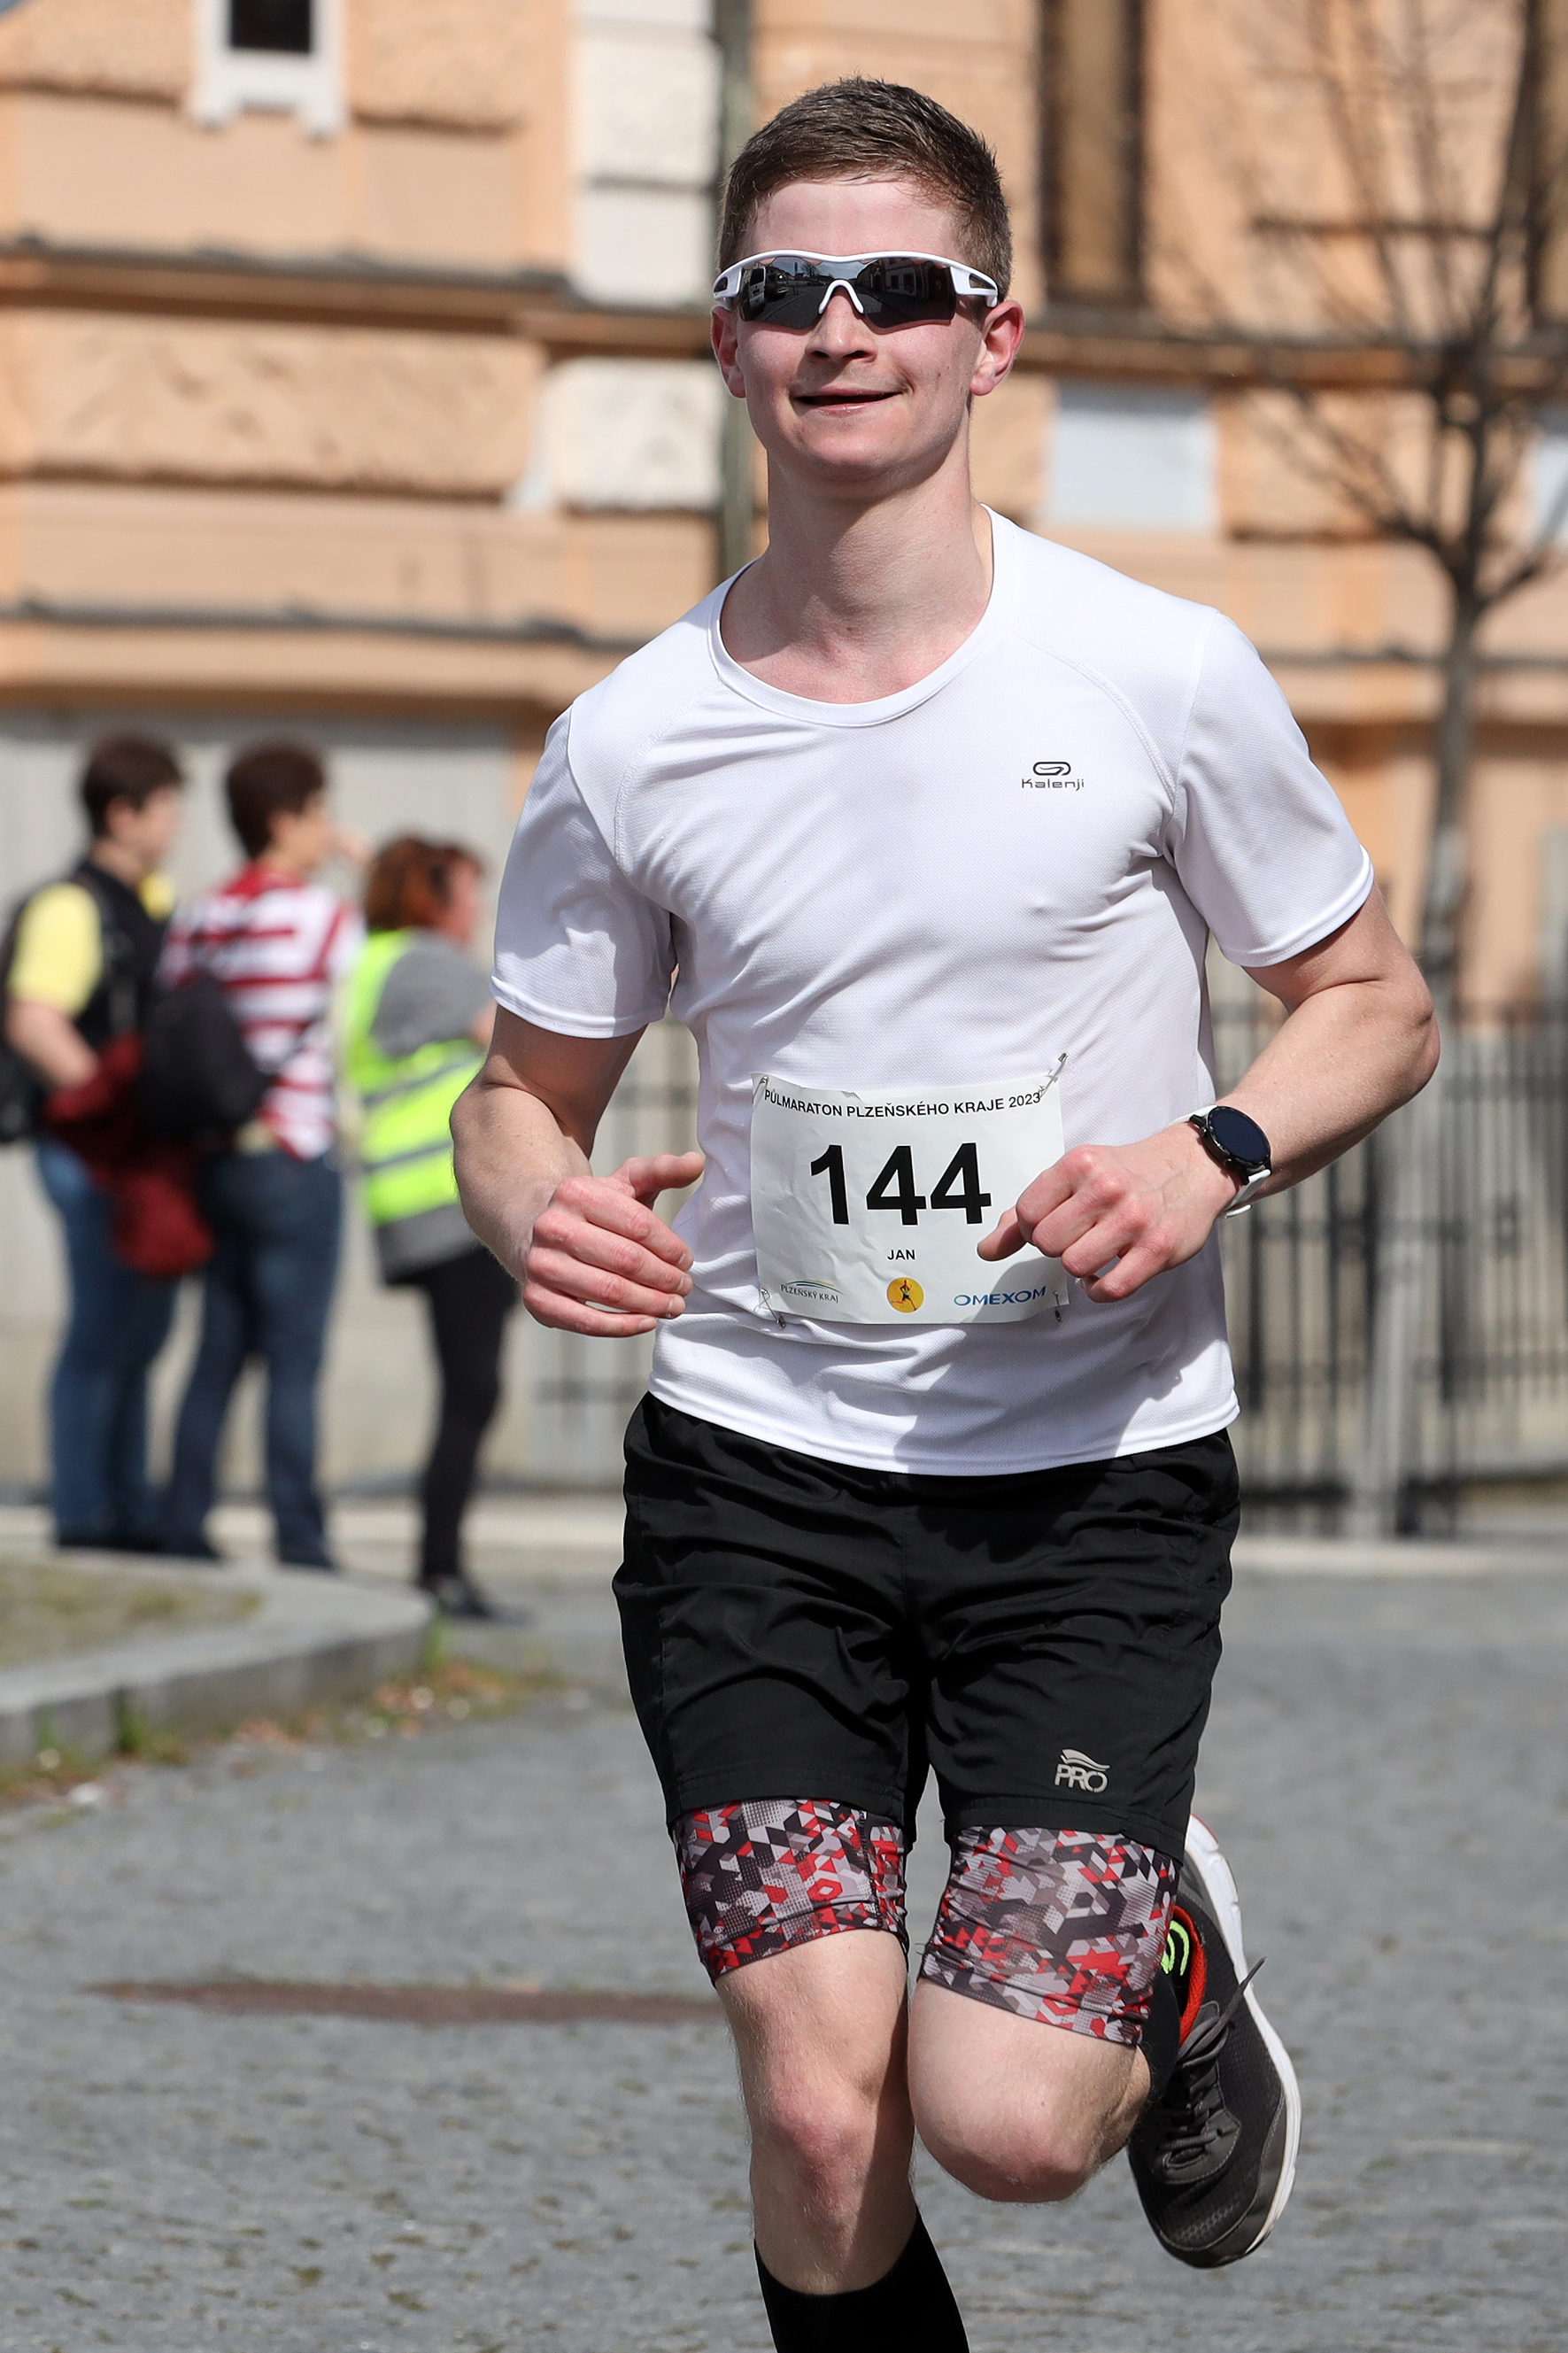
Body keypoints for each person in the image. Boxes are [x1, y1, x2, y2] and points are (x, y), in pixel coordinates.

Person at [453, 79, 1440, 2349]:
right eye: (788, 288)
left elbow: (1374, 1004)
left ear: (991, 334)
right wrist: (533, 1210)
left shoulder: (1155, 670)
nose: (842, 328)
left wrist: (1209, 1149)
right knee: (821, 2117)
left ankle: (1162, 1940)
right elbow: (516, 1100)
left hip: (1087, 1492)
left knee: (1004, 2119)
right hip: (754, 1482)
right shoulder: (632, 737)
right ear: (727, 339)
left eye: (897, 285)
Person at [158, 741, 363, 1570]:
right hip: (293, 1150)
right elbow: (368, 995)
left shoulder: (199, 916)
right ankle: (299, 1541)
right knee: (293, 1360)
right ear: (283, 820)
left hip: (216, 1155)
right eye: (318, 812)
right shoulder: (321, 916)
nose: (328, 829)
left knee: (216, 1351)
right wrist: (367, 872)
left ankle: (183, 1523)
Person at [3, 735, 186, 1550]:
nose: (177, 824)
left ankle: (127, 1506)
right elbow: (34, 1020)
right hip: (87, 1151)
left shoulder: (152, 900)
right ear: (122, 813)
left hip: (133, 1154)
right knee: (101, 1328)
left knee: (139, 1331)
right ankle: (83, 1513)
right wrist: (112, 1106)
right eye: (166, 808)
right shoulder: (71, 906)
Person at [343, 835, 514, 1619]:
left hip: (410, 1201)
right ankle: (440, 1568)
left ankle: (441, 1563)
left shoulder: (378, 960)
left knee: (466, 1387)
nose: (477, 909)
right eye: (467, 892)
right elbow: (522, 1040)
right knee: (472, 1388)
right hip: (446, 1203)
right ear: (429, 898)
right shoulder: (428, 962)